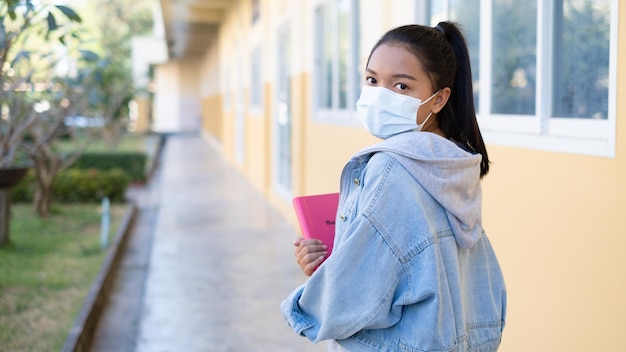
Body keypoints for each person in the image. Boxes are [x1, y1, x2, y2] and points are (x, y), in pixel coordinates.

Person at [281, 22, 507, 352]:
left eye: (401, 86)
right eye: (372, 80)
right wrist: (334, 261)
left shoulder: (392, 169)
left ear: (439, 99)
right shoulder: (455, 165)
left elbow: (351, 298)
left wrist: (307, 303)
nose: (380, 94)